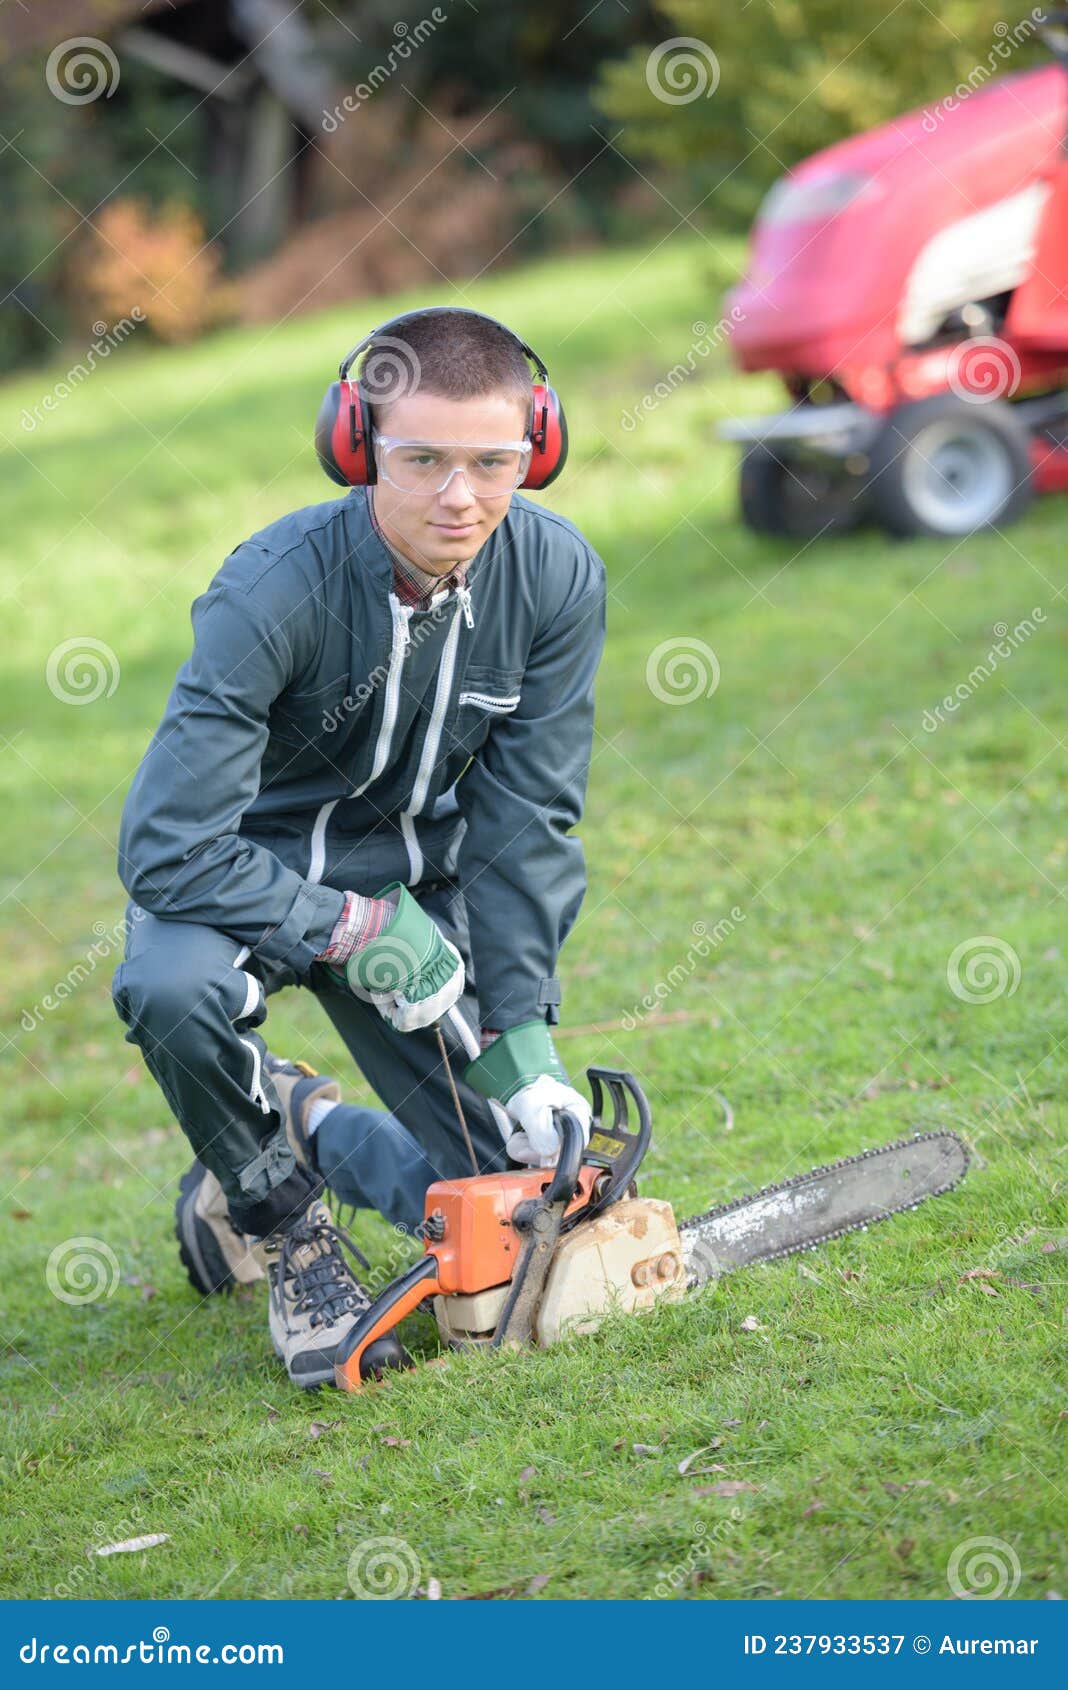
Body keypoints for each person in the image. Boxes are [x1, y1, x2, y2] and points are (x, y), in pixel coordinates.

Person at [111, 307, 606, 1389]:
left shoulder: (557, 579)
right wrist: (346, 928)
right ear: (357, 444)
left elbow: (528, 826)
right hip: (240, 884)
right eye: (420, 459)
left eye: (492, 460)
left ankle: (302, 1120)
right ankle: (284, 1228)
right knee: (168, 984)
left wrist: (525, 1042)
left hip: (418, 893)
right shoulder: (271, 589)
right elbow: (165, 850)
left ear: (540, 448)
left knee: (506, 1201)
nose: (459, 496)